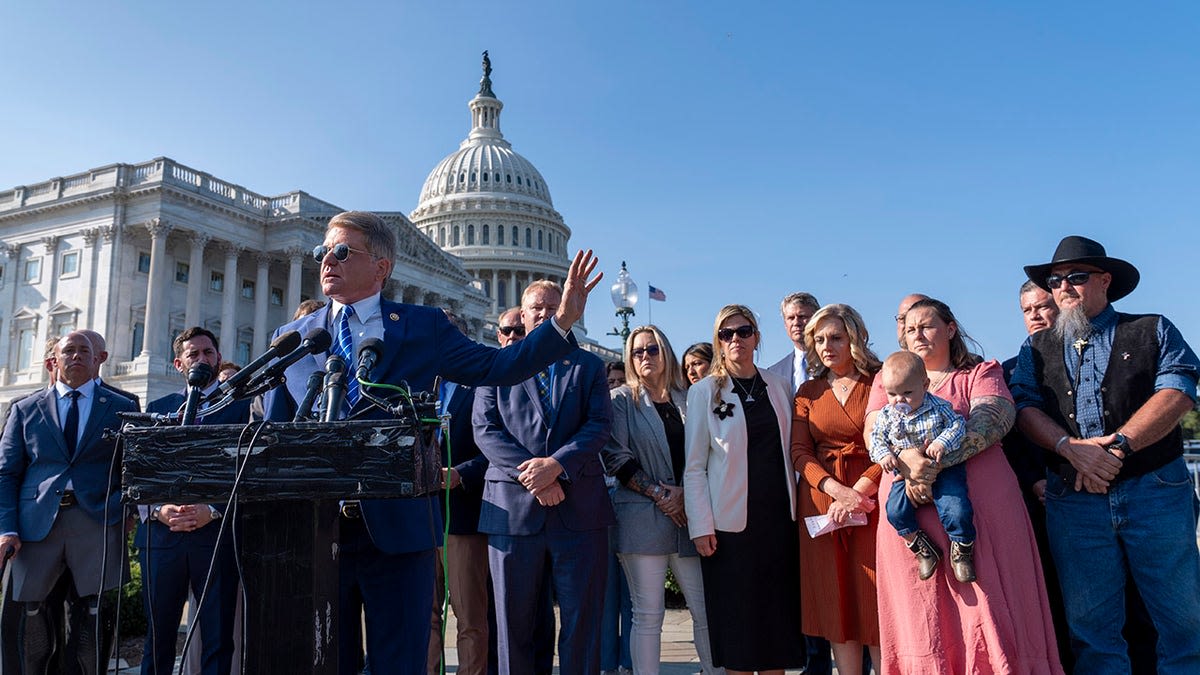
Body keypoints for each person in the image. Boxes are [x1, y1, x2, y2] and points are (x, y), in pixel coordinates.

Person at [261, 210, 602, 675]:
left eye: (342, 252)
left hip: (399, 531)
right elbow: (273, 441)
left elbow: (500, 368)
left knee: (401, 662)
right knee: (324, 663)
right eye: (324, 252)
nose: (327, 261)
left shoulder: (423, 327)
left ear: (381, 267)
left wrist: (560, 321)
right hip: (317, 535)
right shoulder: (293, 340)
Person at [1011, 235, 1200, 673]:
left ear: (1105, 281)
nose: (1064, 287)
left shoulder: (1152, 328)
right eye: (1056, 280)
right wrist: (1069, 449)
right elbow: (1023, 407)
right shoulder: (1034, 350)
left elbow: (1179, 389)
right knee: (1091, 630)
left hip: (1154, 491)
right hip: (1075, 501)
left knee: (1183, 620)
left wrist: (1115, 448)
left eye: (1077, 277)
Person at [865, 298, 1062, 674]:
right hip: (911, 514)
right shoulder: (886, 379)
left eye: (926, 325)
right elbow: (873, 430)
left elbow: (994, 418)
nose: (917, 334)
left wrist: (928, 466)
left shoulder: (979, 371)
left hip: (980, 514)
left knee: (988, 604)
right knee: (924, 616)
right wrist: (912, 469)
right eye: (909, 328)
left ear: (951, 328)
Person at [473, 279, 614, 675]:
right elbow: (486, 430)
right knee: (513, 626)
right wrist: (534, 476)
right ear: (522, 311)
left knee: (582, 624)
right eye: (537, 307)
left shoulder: (588, 366)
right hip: (512, 514)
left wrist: (556, 466)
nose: (545, 314)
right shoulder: (497, 364)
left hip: (579, 513)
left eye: (554, 307)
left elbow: (600, 425)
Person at [0, 331, 139, 675]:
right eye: (68, 351)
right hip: (37, 526)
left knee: (91, 614)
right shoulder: (24, 408)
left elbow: (134, 467)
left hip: (95, 521)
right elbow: (6, 473)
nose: (76, 356)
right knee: (32, 613)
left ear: (97, 360)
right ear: (54, 361)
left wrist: (123, 509)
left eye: (84, 351)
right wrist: (7, 527)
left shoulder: (123, 407)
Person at [683, 305, 803, 675]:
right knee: (738, 633)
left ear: (756, 337)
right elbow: (694, 467)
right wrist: (700, 525)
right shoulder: (705, 392)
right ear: (719, 341)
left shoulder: (779, 386)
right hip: (730, 528)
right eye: (726, 333)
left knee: (776, 632)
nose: (736, 339)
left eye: (744, 331)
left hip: (779, 522)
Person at [602, 326, 720, 675]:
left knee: (704, 610)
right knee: (648, 615)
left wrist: (686, 494)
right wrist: (662, 495)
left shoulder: (691, 396)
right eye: (637, 352)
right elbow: (616, 457)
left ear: (665, 351)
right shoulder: (622, 399)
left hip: (691, 516)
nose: (644, 357)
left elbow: (710, 452)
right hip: (641, 518)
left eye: (652, 349)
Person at [138, 327, 250, 675]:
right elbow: (140, 472)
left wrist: (212, 510)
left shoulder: (244, 410)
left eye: (208, 353)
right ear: (178, 364)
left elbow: (248, 473)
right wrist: (158, 510)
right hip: (162, 537)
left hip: (215, 537)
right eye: (193, 355)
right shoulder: (159, 409)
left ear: (218, 358)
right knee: (158, 637)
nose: (202, 359)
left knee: (218, 638)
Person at [790, 303, 882, 675]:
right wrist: (834, 490)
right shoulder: (807, 390)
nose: (827, 345)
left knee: (875, 602)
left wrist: (858, 492)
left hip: (873, 498)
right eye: (819, 338)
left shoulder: (879, 380)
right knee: (835, 604)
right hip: (820, 503)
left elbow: (894, 441)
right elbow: (799, 451)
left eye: (836, 337)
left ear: (855, 337)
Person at [427, 311, 495, 675]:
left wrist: (459, 474)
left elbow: (496, 452)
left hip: (462, 517)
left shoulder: (482, 386)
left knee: (469, 616)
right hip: (420, 517)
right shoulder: (415, 387)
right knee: (425, 615)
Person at [869, 351, 973, 583]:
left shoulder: (938, 406)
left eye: (907, 393)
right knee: (894, 511)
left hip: (943, 466)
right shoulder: (888, 414)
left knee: (956, 507)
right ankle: (921, 546)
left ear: (925, 385)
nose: (899, 400)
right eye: (892, 394)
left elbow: (958, 425)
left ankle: (962, 546)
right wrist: (884, 454)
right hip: (903, 471)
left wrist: (941, 442)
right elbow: (876, 438)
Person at [766, 292, 820, 395]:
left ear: (816, 320)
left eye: (802, 316)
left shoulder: (834, 363)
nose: (796, 323)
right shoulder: (773, 372)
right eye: (791, 318)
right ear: (785, 324)